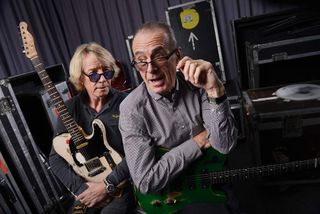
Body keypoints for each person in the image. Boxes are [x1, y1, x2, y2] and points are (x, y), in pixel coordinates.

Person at [119, 22, 240, 213]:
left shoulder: (198, 83)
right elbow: (145, 181)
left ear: (177, 56)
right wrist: (197, 142)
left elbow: (224, 144)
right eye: (141, 60)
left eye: (158, 56)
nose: (150, 69)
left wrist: (214, 89)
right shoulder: (131, 109)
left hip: (212, 177)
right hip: (170, 194)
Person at [49, 42, 136, 214]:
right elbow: (55, 158)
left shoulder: (128, 103)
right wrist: (82, 189)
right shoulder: (70, 108)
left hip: (122, 185)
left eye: (107, 72)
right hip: (86, 187)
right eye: (93, 75)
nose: (103, 79)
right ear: (80, 78)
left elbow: (137, 152)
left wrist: (106, 186)